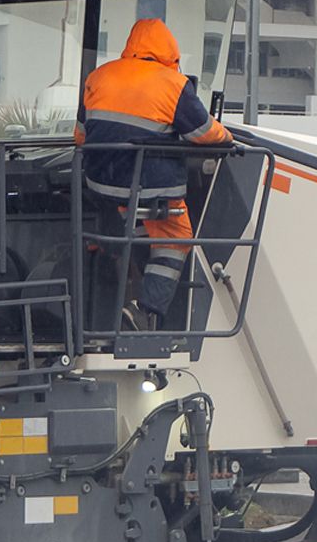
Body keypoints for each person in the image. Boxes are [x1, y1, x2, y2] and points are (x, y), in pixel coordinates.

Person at [74, 18, 231, 327]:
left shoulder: (98, 77)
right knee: (176, 235)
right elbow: (204, 132)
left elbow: (80, 136)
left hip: (101, 185)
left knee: (135, 220)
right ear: (170, 54)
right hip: (147, 188)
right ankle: (146, 310)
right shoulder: (172, 84)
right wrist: (228, 138)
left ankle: (115, 263)